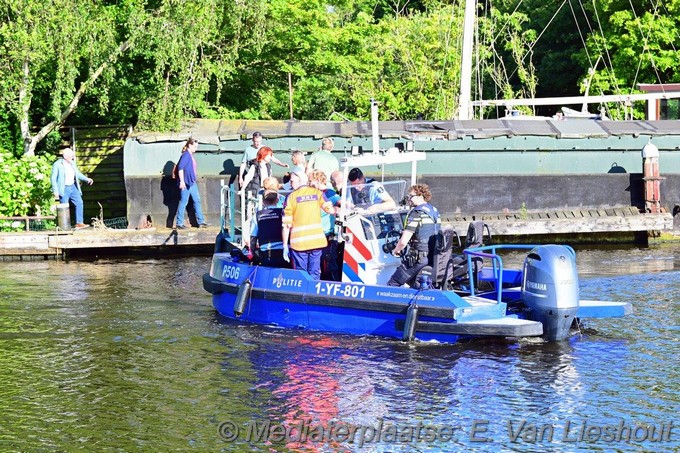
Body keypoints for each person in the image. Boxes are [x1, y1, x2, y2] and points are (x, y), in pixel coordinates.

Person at [281, 171, 335, 280]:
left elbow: (286, 225)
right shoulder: (318, 193)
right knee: (315, 272)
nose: (290, 184)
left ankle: (303, 295)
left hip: (299, 243)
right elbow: (331, 210)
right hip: (316, 242)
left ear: (300, 181)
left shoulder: (291, 197)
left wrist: (284, 245)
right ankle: (314, 294)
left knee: (301, 275)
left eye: (292, 181)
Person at [387, 184, 441, 287]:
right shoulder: (435, 211)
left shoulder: (416, 212)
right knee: (415, 284)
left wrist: (396, 250)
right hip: (432, 256)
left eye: (411, 196)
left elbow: (403, 242)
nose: (409, 199)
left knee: (393, 283)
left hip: (417, 258)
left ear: (420, 196)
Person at [308, 170, 342, 280]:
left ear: (317, 180)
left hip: (326, 234)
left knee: (329, 264)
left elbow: (343, 204)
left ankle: (333, 284)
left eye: (310, 181)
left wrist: (337, 209)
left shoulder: (329, 193)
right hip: (315, 234)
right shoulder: (312, 194)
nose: (308, 184)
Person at [50, 147, 94, 228]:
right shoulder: (57, 164)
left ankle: (79, 223)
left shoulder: (72, 163)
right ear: (65, 156)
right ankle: (64, 226)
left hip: (73, 187)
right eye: (71, 156)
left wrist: (87, 179)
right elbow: (53, 178)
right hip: (63, 188)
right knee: (64, 206)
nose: (72, 157)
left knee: (79, 202)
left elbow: (77, 173)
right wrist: (55, 191)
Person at [175, 138, 209, 229]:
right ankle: (179, 223)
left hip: (191, 182)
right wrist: (182, 181)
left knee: (197, 201)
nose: (196, 148)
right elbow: (180, 168)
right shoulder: (186, 155)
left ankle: (201, 221)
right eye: (195, 146)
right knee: (184, 202)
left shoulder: (190, 155)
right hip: (186, 183)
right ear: (189, 145)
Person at [250, 190, 288, 268]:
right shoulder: (284, 213)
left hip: (266, 255)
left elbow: (253, 238)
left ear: (263, 201)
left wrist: (253, 254)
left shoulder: (258, 215)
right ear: (277, 200)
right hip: (285, 253)